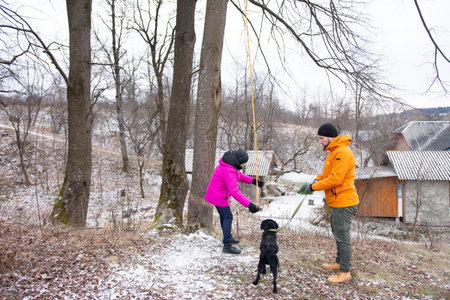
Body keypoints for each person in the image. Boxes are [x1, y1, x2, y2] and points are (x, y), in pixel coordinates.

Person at [304, 123, 359, 284]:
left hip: (344, 201)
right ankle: (339, 262)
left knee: (343, 236)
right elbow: (328, 174)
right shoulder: (334, 151)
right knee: (337, 233)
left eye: (321, 138)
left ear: (329, 137)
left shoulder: (342, 152)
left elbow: (336, 179)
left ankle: (345, 271)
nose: (320, 141)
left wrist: (314, 186)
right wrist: (317, 179)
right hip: (336, 201)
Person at [205, 148, 264, 254]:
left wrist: (253, 181)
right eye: (244, 163)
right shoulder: (228, 170)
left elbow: (239, 176)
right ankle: (227, 246)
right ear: (239, 161)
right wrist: (249, 205)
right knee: (228, 217)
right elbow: (235, 192)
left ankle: (228, 237)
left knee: (225, 217)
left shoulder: (229, 165)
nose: (244, 165)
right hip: (218, 196)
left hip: (217, 194)